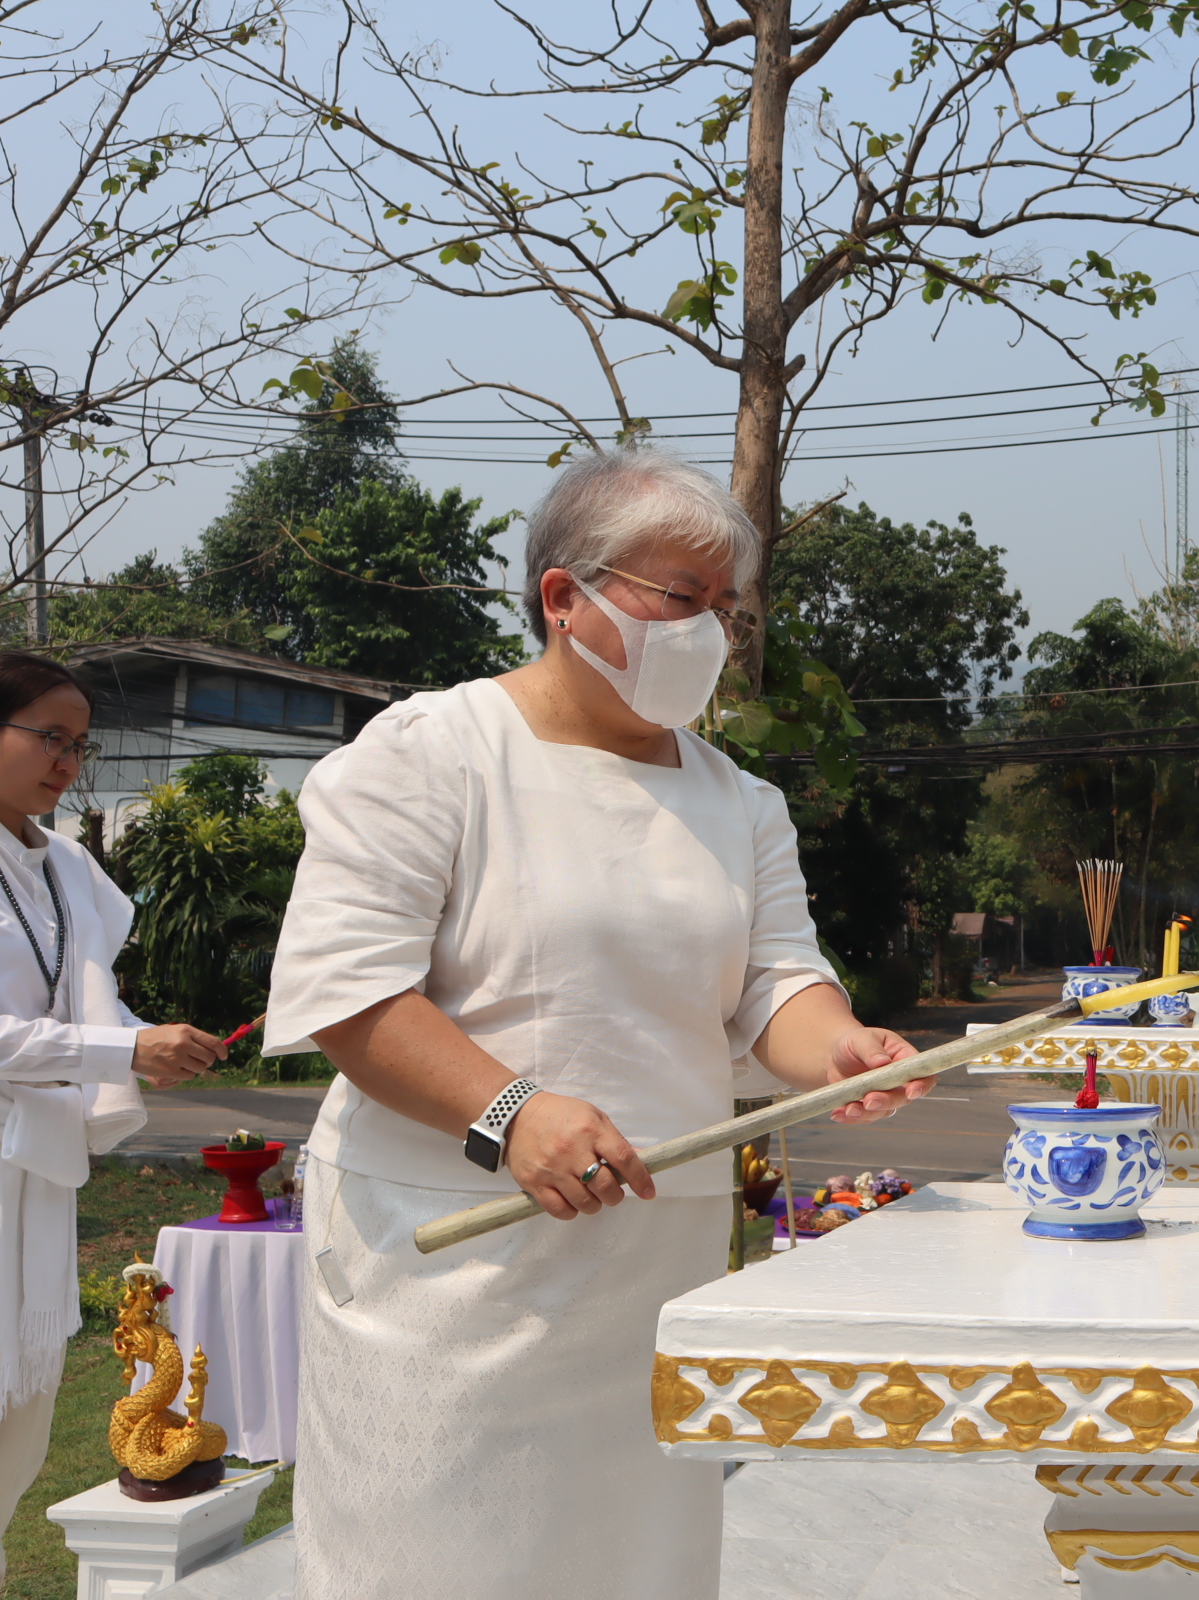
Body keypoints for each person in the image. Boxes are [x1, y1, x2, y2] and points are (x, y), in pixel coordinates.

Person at [263, 449, 929, 1600]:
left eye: (725, 608)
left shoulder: (737, 798)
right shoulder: (438, 752)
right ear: (564, 598)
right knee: (436, 1560)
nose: (709, 633)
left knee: (635, 1565)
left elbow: (775, 980)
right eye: (680, 599)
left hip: (649, 1269)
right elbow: (348, 993)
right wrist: (509, 1109)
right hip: (455, 1270)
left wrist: (839, 1048)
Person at [0, 652, 225, 1600]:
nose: (67, 761)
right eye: (47, 737)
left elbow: (80, 1009)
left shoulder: (61, 862)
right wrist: (116, 1054)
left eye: (79, 744)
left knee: (12, 1437)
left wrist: (149, 1041)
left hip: (34, 1161)